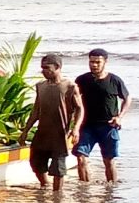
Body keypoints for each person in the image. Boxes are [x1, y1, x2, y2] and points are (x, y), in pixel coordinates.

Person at [28, 52, 83, 191]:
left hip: (60, 134)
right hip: (42, 133)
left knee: (58, 169)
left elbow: (80, 109)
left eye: (47, 68)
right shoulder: (40, 86)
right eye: (42, 68)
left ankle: (57, 195)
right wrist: (25, 131)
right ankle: (44, 184)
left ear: (57, 67)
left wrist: (76, 128)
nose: (43, 71)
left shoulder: (69, 86)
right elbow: (36, 110)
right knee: (35, 163)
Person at [72, 48, 130, 180]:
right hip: (86, 126)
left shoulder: (114, 80)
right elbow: (73, 101)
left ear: (105, 62)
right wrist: (73, 124)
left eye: (98, 62)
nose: (94, 65)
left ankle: (111, 190)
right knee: (81, 158)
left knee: (108, 161)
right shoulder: (82, 80)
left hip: (108, 126)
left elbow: (127, 98)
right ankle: (84, 190)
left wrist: (119, 117)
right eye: (91, 62)